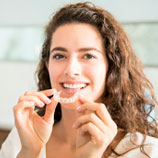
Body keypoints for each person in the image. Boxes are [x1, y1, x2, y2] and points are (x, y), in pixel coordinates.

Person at [0, 2, 158, 158]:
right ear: (47, 65)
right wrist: (29, 153)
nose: (70, 70)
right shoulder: (22, 137)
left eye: (88, 56)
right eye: (59, 56)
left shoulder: (146, 151)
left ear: (111, 67)